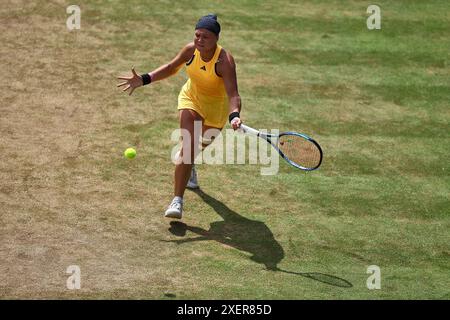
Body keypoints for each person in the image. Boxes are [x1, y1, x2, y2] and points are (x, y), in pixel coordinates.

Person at [117, 14, 242, 219]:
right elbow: (170, 67)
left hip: (216, 110)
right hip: (191, 99)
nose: (200, 40)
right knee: (187, 148)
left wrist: (234, 115)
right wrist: (144, 79)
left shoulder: (225, 61)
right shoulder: (190, 50)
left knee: (197, 148)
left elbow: (234, 95)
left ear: (216, 39)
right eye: (197, 35)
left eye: (206, 37)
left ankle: (190, 164)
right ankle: (177, 200)